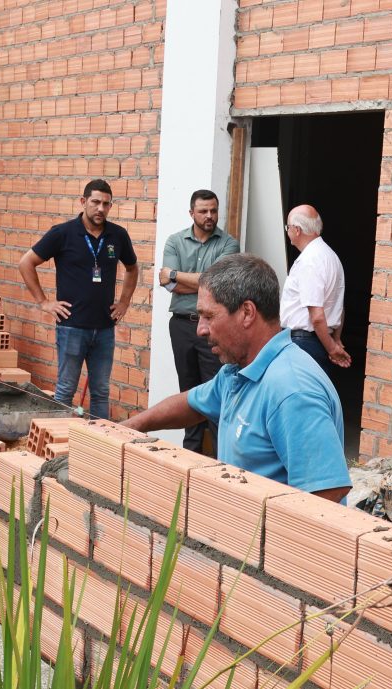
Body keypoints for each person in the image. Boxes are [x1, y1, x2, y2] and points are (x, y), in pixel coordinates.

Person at [123, 253, 351, 502]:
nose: (200, 329)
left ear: (247, 313)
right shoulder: (238, 370)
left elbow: (326, 494)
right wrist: (128, 428)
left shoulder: (291, 391)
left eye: (209, 316)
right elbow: (191, 404)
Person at [18, 179, 138, 420]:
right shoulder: (63, 233)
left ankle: (99, 440)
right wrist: (44, 302)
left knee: (101, 392)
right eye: (95, 202)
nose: (101, 208)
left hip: (104, 328)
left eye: (106, 204)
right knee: (65, 391)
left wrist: (124, 302)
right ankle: (60, 439)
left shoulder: (118, 235)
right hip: (72, 327)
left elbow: (132, 268)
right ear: (83, 202)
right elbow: (26, 263)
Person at [158, 189, 240, 455]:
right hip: (182, 326)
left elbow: (217, 284)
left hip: (213, 328)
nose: (209, 216)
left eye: (213, 210)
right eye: (203, 211)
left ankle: (220, 459)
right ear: (191, 213)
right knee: (188, 392)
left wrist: (175, 275)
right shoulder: (175, 241)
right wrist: (194, 281)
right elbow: (167, 284)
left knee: (216, 394)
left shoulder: (229, 245)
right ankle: (189, 456)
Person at [280, 204, 351, 372]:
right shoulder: (330, 256)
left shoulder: (310, 260)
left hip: (304, 343)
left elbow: (317, 316)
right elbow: (339, 307)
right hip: (319, 341)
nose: (287, 231)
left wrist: (332, 348)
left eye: (288, 227)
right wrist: (335, 339)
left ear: (297, 230)